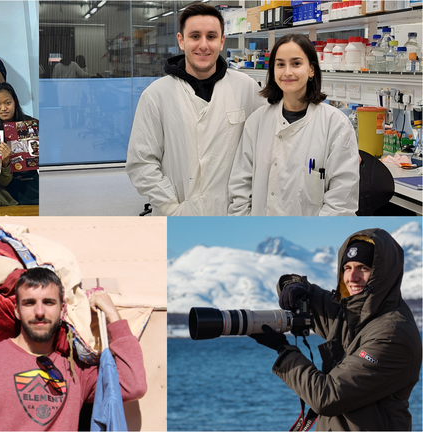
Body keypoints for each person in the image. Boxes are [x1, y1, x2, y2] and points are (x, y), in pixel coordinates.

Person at [249, 228, 422, 431]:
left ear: (382, 274)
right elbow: (305, 292)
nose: (352, 277)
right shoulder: (349, 313)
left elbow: (327, 396)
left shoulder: (393, 334)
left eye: (363, 268)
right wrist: (291, 286)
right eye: (347, 268)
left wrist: (284, 351)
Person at [0, 268, 147, 430]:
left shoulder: (75, 369)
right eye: (29, 303)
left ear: (62, 310)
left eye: (48, 302)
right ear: (17, 311)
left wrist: (114, 317)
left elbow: (132, 385)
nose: (39, 312)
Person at [125, 3, 265, 216]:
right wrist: (171, 207)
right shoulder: (156, 94)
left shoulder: (246, 87)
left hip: (232, 215)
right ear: (181, 41)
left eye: (211, 36)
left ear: (221, 42)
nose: (203, 45)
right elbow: (141, 162)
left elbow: (265, 147)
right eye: (195, 36)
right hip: (178, 214)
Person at [228, 34, 360, 216]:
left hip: (313, 232)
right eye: (280, 64)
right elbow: (240, 187)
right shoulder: (257, 121)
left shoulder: (336, 125)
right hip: (259, 230)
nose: (287, 72)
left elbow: (341, 203)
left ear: (311, 70)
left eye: (296, 63)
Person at [0, 83, 38, 205]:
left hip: (32, 184)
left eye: (8, 103)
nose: (3, 108)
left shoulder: (32, 124)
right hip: (3, 189)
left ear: (15, 102)